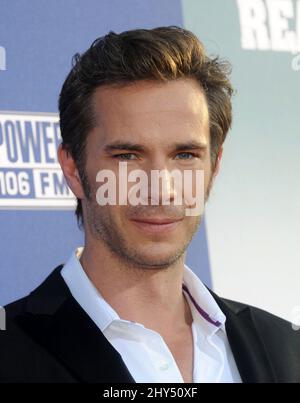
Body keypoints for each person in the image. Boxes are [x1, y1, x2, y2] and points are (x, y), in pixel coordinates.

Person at [0, 26, 299, 383]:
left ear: (214, 167)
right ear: (74, 169)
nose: (161, 187)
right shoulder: (10, 351)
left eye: (185, 154)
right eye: (127, 155)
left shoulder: (286, 348)